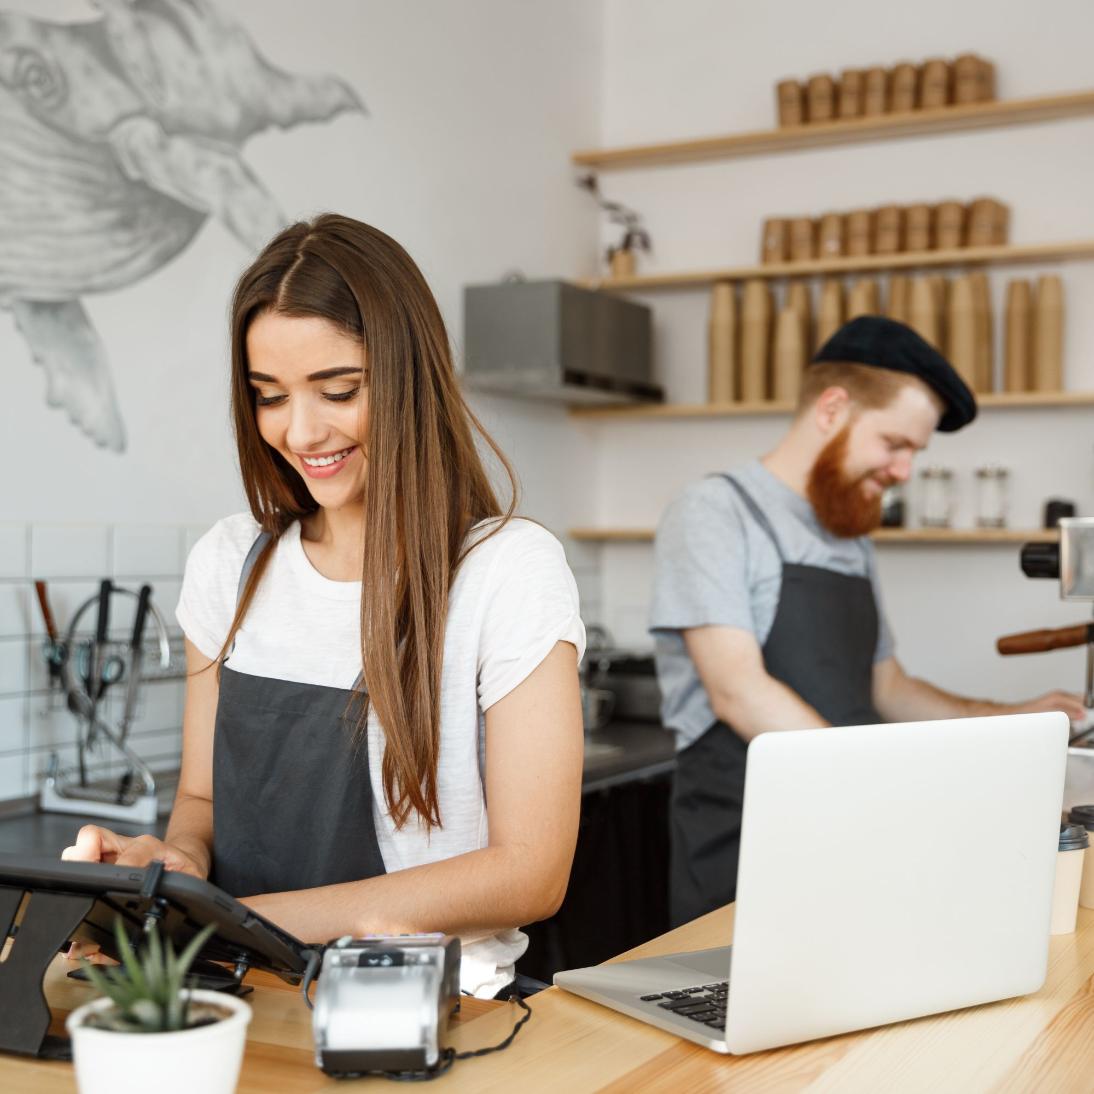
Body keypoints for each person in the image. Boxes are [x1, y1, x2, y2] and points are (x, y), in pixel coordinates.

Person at [62, 214, 586, 997]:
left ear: (408, 375)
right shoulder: (229, 565)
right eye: (268, 396)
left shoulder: (504, 570)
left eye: (338, 390)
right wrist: (176, 868)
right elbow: (202, 801)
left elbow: (530, 872)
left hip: (421, 1008)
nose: (300, 431)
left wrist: (226, 915)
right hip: (235, 993)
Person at [650, 315, 1085, 927]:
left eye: (915, 452)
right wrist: (883, 794)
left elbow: (888, 687)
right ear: (832, 407)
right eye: (896, 444)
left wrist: (1010, 717)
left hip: (848, 835)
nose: (904, 470)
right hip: (746, 848)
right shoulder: (715, 512)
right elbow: (738, 691)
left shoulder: (847, 535)